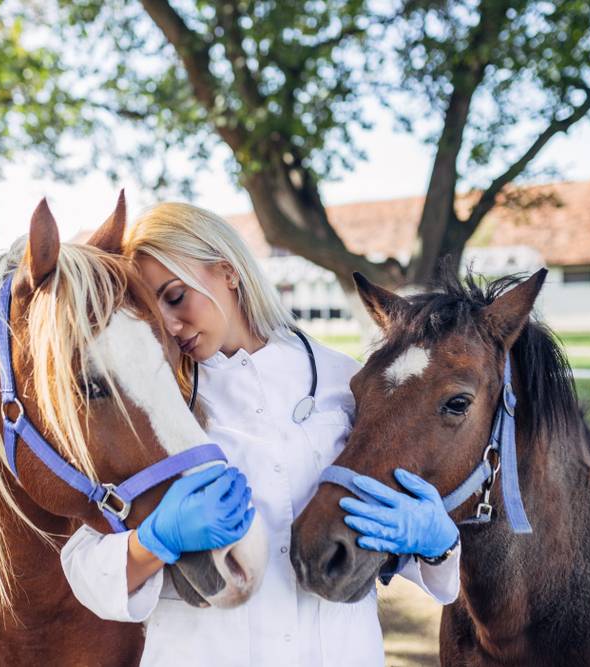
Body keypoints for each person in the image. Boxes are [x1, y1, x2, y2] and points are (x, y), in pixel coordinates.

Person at [61, 203, 460, 666]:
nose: (171, 325)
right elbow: (85, 567)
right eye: (154, 310)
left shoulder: (342, 382)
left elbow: (396, 541)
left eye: (175, 297)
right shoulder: (152, 407)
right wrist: (155, 540)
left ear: (228, 272)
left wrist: (438, 543)